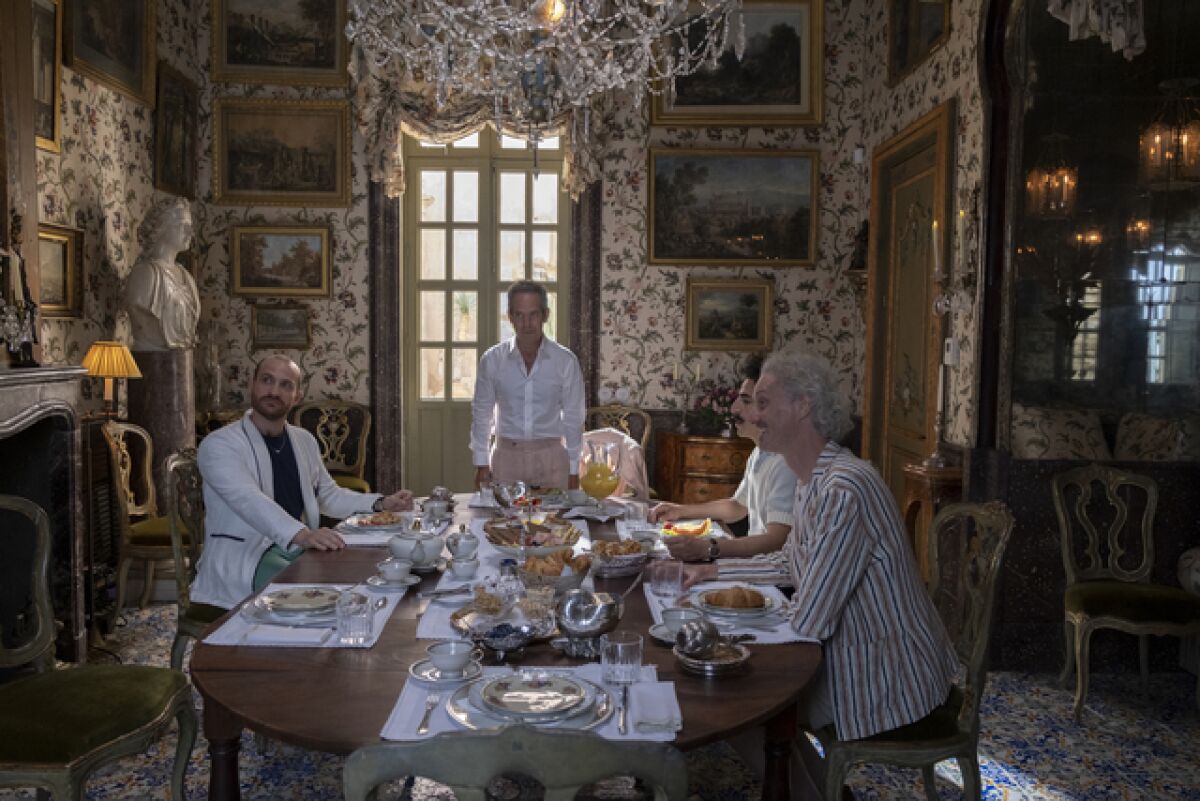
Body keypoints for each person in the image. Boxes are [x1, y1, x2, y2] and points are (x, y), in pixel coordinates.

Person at [684, 348, 957, 800]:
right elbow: (788, 562)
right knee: (733, 693)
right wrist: (706, 572)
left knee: (731, 700)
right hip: (863, 654)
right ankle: (822, 794)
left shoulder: (844, 488)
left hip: (888, 674)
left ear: (803, 406)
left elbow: (811, 620)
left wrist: (727, 633)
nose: (753, 413)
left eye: (765, 402)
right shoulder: (816, 477)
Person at [190, 355, 414, 610]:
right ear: (252, 385)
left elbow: (330, 496)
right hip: (244, 558)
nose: (274, 391)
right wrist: (304, 535)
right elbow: (248, 499)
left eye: (286, 385)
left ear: (297, 396)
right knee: (324, 598)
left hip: (295, 550)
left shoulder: (303, 440)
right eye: (266, 380)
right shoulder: (219, 444)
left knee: (365, 575)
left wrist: (382, 502)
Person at [648, 352, 796, 563]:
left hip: (771, 577)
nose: (734, 408)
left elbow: (777, 540)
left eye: (746, 401)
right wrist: (680, 510)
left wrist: (710, 548)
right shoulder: (761, 451)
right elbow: (738, 506)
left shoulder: (786, 462)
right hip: (755, 565)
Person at [470, 280, 585, 491]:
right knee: (501, 523)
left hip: (552, 458)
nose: (527, 323)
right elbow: (482, 414)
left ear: (545, 315)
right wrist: (481, 463)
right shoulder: (492, 360)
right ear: (510, 316)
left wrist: (574, 468)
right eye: (519, 315)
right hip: (506, 459)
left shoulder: (565, 361)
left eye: (533, 314)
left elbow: (573, 417)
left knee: (557, 523)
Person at [125, 198, 201, 351]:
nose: (190, 232)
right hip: (153, 360)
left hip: (180, 362)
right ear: (161, 228)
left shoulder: (186, 276)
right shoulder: (146, 274)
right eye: (182, 226)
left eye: (190, 227)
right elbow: (139, 309)